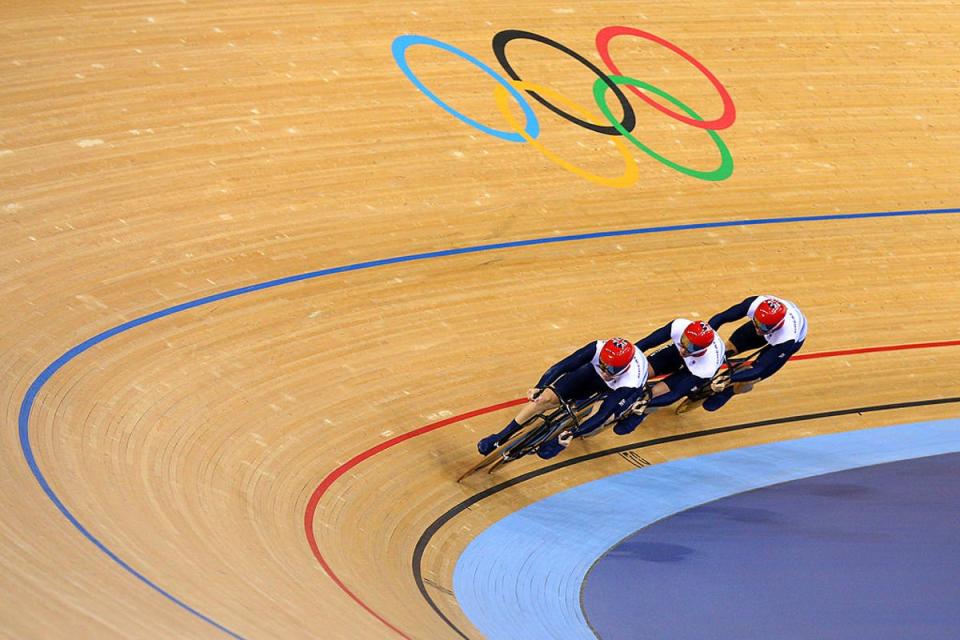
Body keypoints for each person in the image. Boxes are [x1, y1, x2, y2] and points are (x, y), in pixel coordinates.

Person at [477, 338, 649, 460]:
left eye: (611, 368)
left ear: (624, 367)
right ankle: (502, 435)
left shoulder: (631, 380)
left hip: (618, 389)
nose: (605, 370)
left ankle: (560, 440)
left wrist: (572, 433)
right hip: (591, 373)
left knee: (600, 418)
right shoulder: (597, 348)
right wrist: (540, 387)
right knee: (543, 399)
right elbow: (560, 367)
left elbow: (602, 415)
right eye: (603, 363)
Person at [613, 319, 726, 435]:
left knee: (654, 393)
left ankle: (640, 415)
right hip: (677, 354)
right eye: (684, 341)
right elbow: (645, 343)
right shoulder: (679, 326)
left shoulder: (707, 367)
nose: (683, 348)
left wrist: (646, 403)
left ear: (702, 349)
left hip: (694, 371)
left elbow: (674, 394)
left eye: (690, 347)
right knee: (641, 372)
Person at [704, 295, 808, 411]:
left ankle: (729, 392)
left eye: (763, 327)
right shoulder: (755, 304)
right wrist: (705, 341)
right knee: (728, 348)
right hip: (767, 323)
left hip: (790, 341)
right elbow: (721, 318)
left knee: (753, 377)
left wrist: (730, 379)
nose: (758, 329)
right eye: (757, 322)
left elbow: (758, 369)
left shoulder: (787, 339)